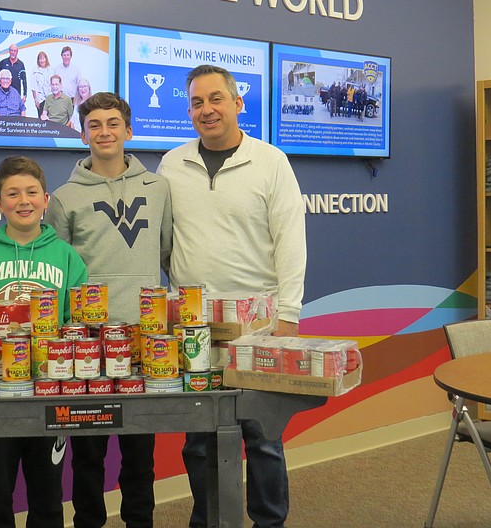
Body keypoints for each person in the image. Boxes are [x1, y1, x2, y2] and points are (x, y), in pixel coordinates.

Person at [158, 64, 306, 528]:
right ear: (189, 111)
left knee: (262, 435)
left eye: (216, 99)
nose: (208, 110)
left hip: (259, 321)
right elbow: (164, 241)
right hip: (194, 323)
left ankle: (269, 522)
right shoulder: (171, 164)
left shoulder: (271, 162)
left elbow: (291, 240)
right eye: (198, 102)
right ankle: (208, 519)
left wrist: (288, 314)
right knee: (199, 437)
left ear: (238, 103)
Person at [45, 92, 172, 528]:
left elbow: (167, 251)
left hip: (145, 337)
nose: (104, 132)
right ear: (83, 134)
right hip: (88, 342)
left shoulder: (158, 188)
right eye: (95, 124)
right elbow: (59, 272)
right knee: (89, 456)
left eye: (113, 123)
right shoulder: (63, 198)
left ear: (128, 131)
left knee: (140, 454)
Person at [0, 155, 88, 528]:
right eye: (12, 193)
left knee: (48, 498)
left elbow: (78, 325)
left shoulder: (67, 257)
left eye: (31, 192)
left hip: (49, 391)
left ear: (46, 200)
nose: (23, 200)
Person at [31, 50, 53, 117]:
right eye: (40, 59)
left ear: (46, 59)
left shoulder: (51, 70)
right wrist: (36, 100)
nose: (42, 60)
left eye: (43, 58)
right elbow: (33, 87)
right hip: (40, 100)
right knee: (41, 119)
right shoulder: (35, 71)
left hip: (50, 99)